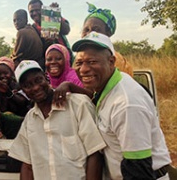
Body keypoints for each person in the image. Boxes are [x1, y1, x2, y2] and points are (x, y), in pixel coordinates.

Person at [72, 31, 172, 179]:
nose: (84, 69)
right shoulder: (109, 86)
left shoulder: (127, 104)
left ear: (111, 62)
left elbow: (138, 169)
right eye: (79, 63)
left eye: (92, 62)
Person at [8, 60, 106, 180]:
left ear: (46, 77)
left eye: (38, 80)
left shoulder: (78, 105)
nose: (35, 87)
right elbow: (27, 165)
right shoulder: (30, 120)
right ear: (23, 91)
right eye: (27, 86)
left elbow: (95, 153)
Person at [82, 2, 133, 77]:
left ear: (108, 33)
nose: (90, 34)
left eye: (96, 29)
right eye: (86, 29)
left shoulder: (120, 63)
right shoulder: (80, 58)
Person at [28, 0, 74, 66]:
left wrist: (55, 14)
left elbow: (66, 30)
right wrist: (48, 42)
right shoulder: (32, 29)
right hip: (49, 63)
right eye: (31, 11)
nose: (34, 13)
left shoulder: (52, 18)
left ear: (43, 10)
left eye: (37, 10)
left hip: (65, 58)